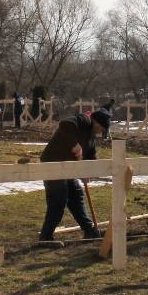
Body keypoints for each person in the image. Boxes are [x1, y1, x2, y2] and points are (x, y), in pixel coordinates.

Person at [37, 103, 113, 243]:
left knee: (76, 195)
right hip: (53, 162)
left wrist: (88, 171)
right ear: (95, 121)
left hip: (68, 168)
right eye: (99, 128)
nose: (98, 132)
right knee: (58, 200)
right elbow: (64, 125)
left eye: (101, 130)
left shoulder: (91, 138)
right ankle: (45, 238)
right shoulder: (84, 120)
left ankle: (89, 230)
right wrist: (74, 144)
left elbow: (91, 156)